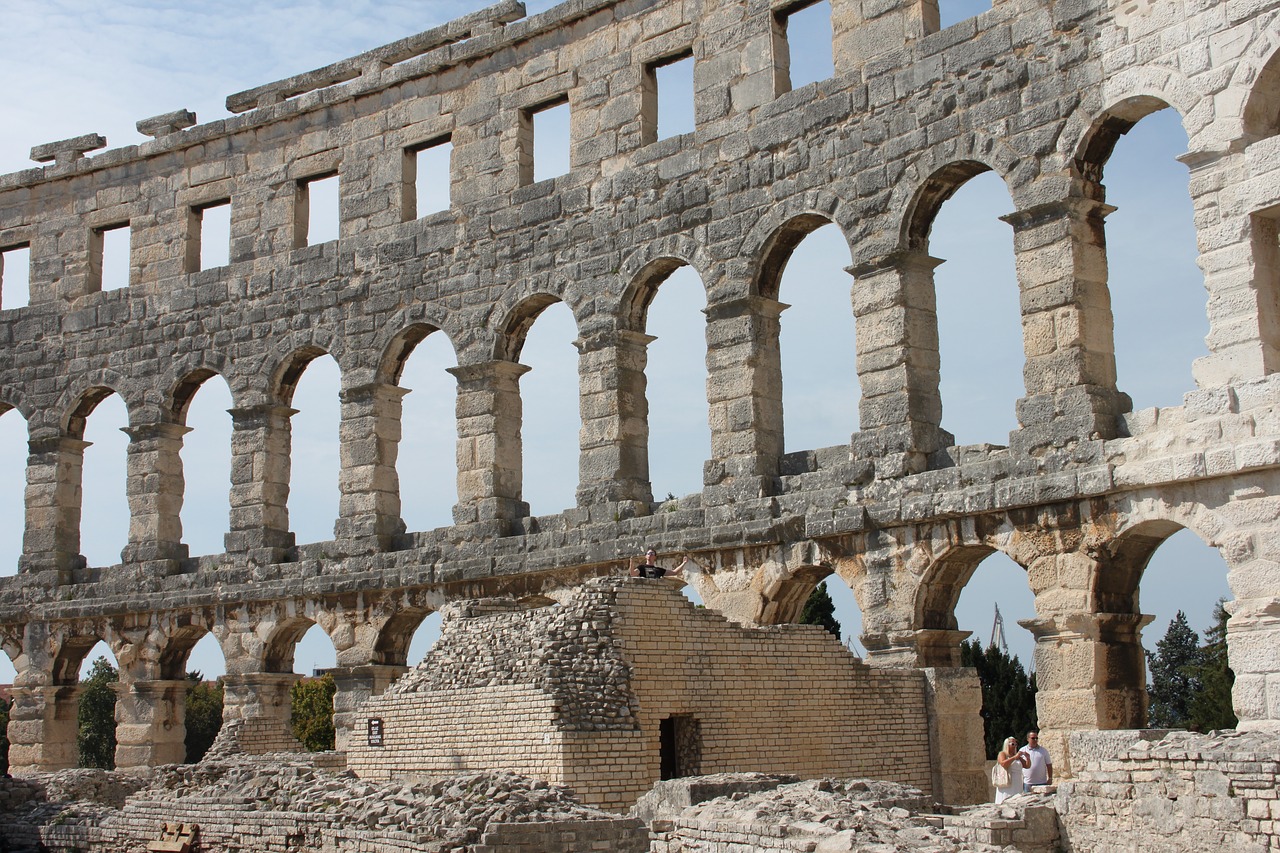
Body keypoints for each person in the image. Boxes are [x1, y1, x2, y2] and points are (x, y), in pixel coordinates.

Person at [994, 736, 1028, 803]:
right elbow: (1003, 764)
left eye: (1015, 744)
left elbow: (1026, 765)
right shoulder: (1003, 754)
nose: (1014, 746)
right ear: (1007, 744)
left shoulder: (1016, 755)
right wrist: (1014, 758)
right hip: (1007, 779)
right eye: (1012, 744)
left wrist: (1028, 758)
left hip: (1017, 781)